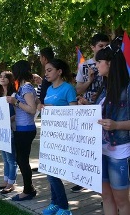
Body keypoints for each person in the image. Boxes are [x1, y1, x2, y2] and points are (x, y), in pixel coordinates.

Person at [81, 38, 130, 215]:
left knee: (121, 200)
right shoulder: (104, 88)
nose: (96, 65)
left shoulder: (127, 88)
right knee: (106, 197)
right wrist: (87, 107)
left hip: (119, 151)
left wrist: (117, 124)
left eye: (99, 61)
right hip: (99, 150)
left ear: (109, 64)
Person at [72, 33, 109, 193]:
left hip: (105, 112)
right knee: (86, 148)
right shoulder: (85, 66)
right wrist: (89, 80)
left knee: (103, 149)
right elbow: (78, 90)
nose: (104, 49)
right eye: (101, 46)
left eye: (106, 46)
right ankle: (84, 179)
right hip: (87, 112)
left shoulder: (112, 64)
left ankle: (105, 185)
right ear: (93, 47)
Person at [42, 58, 77, 215]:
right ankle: (55, 202)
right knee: (50, 170)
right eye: (45, 70)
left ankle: (64, 207)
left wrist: (54, 109)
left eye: (49, 70)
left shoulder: (68, 89)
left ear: (59, 71)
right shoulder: (49, 89)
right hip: (49, 136)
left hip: (62, 138)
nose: (46, 73)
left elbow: (75, 113)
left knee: (53, 173)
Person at [6, 60, 38, 201]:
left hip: (26, 129)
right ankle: (28, 188)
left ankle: (28, 190)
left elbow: (31, 109)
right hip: (21, 128)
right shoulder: (23, 87)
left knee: (22, 160)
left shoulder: (26, 88)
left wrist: (15, 102)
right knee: (21, 160)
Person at [0, 71, 18, 194]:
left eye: (5, 77)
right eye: (0, 76)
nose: (2, 78)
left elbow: (17, 113)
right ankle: (5, 180)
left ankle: (11, 183)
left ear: (10, 79)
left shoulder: (14, 94)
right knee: (5, 157)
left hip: (10, 130)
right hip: (0, 131)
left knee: (11, 158)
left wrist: (7, 120)